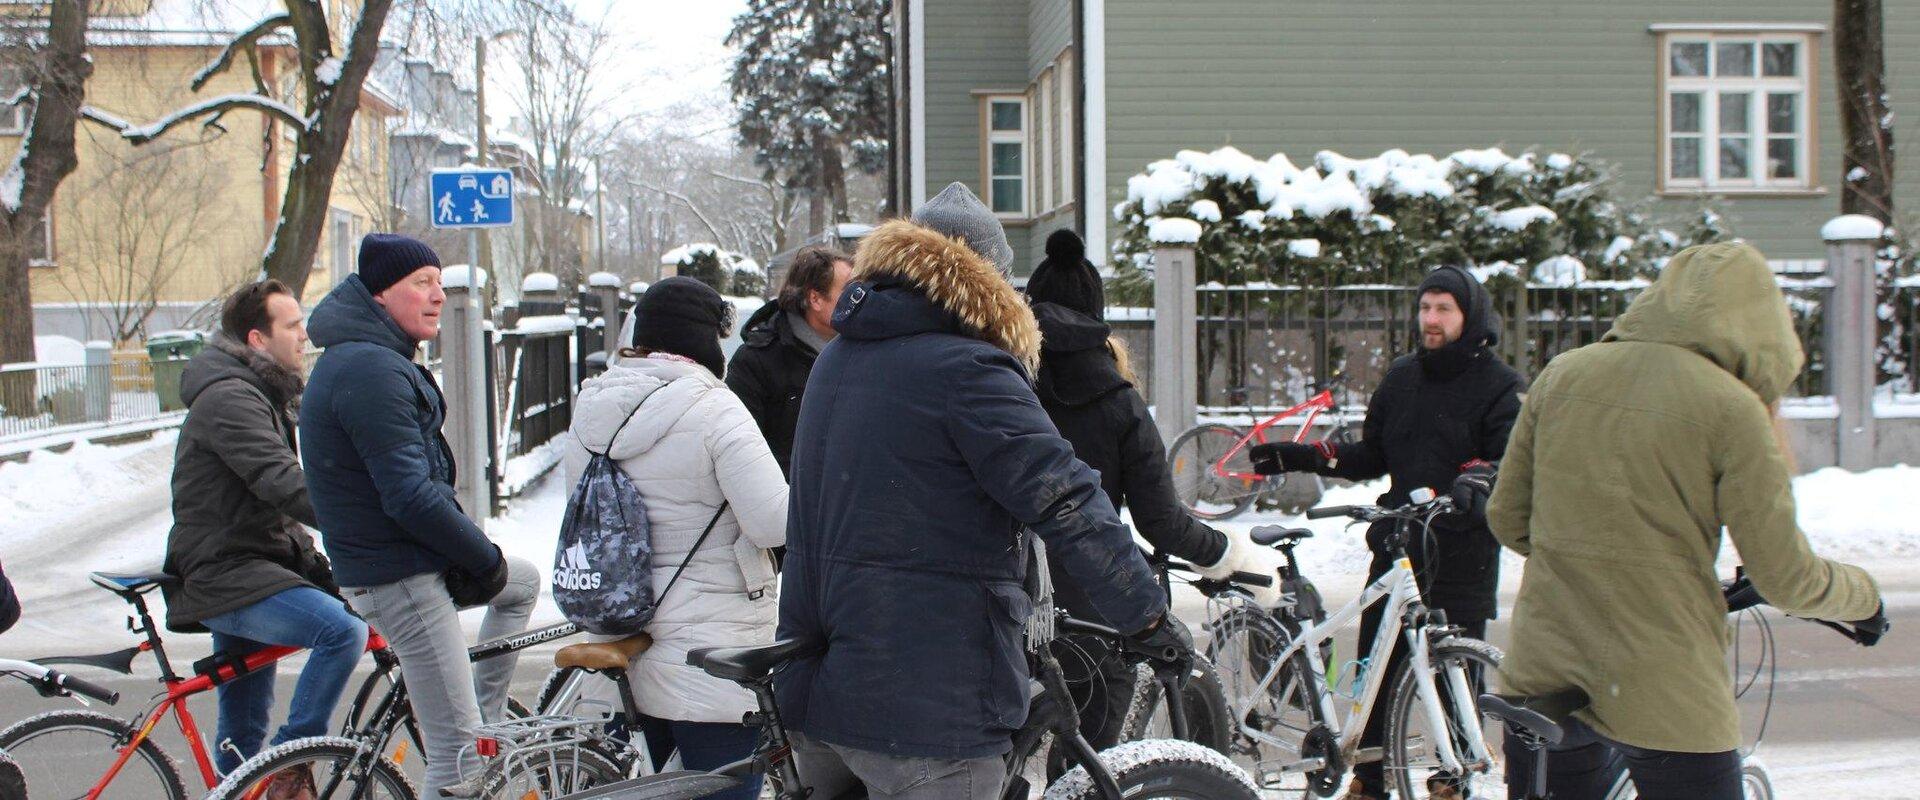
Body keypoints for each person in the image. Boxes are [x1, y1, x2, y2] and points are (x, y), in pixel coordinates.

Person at [775, 182, 1186, 800]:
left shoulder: (839, 360)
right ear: (989, 283)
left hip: (822, 692)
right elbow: (1067, 499)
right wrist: (1146, 615)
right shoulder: (969, 370)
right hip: (926, 707)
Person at [1487, 242, 1886, 800]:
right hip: (1663, 680)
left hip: (1547, 666)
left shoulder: (1563, 375)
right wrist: (1864, 598)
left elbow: (1508, 519)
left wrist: (1587, 551)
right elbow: (1783, 576)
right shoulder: (1732, 408)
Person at [1250, 265, 1524, 800]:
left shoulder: (1500, 385)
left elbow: (1506, 457)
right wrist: (1303, 454)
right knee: (1379, 667)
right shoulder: (1403, 378)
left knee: (1455, 674)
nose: (1431, 319)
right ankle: (1369, 780)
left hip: (1462, 549)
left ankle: (1454, 779)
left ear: (1469, 316)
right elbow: (1371, 453)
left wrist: (1478, 478)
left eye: (1443, 308)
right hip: (1399, 546)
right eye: (1425, 308)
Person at [1025, 228, 1286, 757]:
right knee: (1089, 755)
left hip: (1013, 596)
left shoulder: (1006, 384)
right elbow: (1161, 521)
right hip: (1094, 602)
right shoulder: (1121, 403)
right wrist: (1226, 553)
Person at [299, 234, 540, 798]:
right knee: (459, 767)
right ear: (381, 294)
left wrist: (492, 566)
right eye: (421, 283)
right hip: (398, 577)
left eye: (439, 282)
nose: (437, 295)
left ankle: (484, 719)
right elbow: (408, 496)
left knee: (521, 583)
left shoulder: (371, 358)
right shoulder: (371, 370)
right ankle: (473, 732)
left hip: (398, 564)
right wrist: (481, 558)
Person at [563, 277, 788, 800]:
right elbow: (773, 523)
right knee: (723, 787)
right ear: (707, 340)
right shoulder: (716, 409)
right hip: (710, 653)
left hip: (620, 636)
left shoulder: (591, 408)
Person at [162, 280, 367, 791]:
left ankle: (247, 783)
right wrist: (362, 519)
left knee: (244, 725)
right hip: (228, 574)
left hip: (247, 566)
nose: (304, 335)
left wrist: (319, 566)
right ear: (257, 339)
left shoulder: (254, 392)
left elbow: (269, 512)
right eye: (292, 325)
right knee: (341, 632)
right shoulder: (232, 399)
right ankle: (290, 765)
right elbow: (279, 482)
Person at [726, 246, 854, 476]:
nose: (859, 297)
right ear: (815, 298)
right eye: (848, 289)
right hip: (788, 502)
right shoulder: (755, 361)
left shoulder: (863, 352)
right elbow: (740, 456)